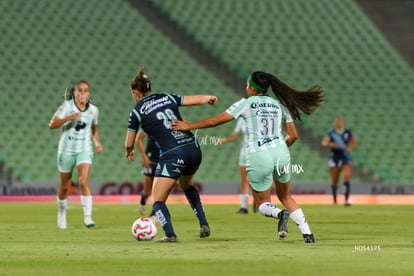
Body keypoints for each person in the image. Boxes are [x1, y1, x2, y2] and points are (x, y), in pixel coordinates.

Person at [172, 71, 323, 243]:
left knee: (262, 203)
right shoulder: (279, 105)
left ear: (251, 87)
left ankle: (280, 213)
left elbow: (215, 121)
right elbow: (294, 136)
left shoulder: (246, 103)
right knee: (287, 197)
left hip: (259, 154)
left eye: (247, 85)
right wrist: (278, 147)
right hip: (281, 153)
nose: (246, 88)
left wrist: (189, 125)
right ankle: (308, 234)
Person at [124, 68, 217, 242]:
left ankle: (170, 235)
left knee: (158, 200)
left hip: (173, 153)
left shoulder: (137, 111)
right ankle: (203, 223)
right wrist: (208, 98)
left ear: (135, 92)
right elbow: (193, 99)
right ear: (150, 89)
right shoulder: (167, 97)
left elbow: (129, 143)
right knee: (187, 185)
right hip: (193, 148)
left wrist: (129, 152)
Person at [49, 80, 103, 229]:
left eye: (86, 90)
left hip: (84, 149)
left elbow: (94, 128)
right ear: (74, 92)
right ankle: (61, 213)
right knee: (65, 186)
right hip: (66, 150)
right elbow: (52, 124)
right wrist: (68, 118)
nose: (83, 93)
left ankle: (88, 218)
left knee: (83, 181)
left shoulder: (93, 110)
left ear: (89, 93)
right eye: (80, 90)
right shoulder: (67, 107)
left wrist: (97, 142)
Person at [218, 118, 254, 214]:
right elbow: (234, 136)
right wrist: (224, 140)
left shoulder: (260, 116)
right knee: (244, 180)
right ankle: (244, 207)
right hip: (245, 152)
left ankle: (259, 200)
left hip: (259, 152)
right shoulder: (243, 118)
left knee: (256, 179)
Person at [321, 116, 356, 206]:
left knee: (347, 175)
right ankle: (335, 201)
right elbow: (324, 142)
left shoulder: (347, 132)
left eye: (340, 121)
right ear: (335, 123)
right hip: (334, 157)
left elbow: (353, 143)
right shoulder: (331, 133)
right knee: (335, 179)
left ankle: (346, 199)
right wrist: (330, 144)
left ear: (343, 122)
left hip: (345, 156)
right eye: (337, 121)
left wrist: (349, 148)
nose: (338, 123)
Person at [135, 130, 159, 215]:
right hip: (150, 159)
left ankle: (154, 214)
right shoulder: (149, 123)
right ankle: (143, 200)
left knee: (158, 191)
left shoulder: (169, 122)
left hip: (163, 159)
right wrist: (144, 156)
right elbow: (138, 139)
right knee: (147, 191)